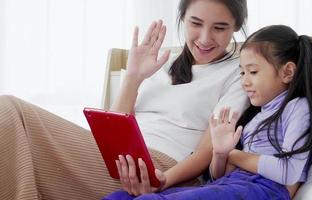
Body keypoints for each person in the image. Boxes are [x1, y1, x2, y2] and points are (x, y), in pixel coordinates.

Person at [0, 0, 248, 199]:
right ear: (182, 19)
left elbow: (209, 149)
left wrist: (162, 180)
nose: (205, 38)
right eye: (196, 23)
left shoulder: (239, 72)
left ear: (236, 26)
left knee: (10, 110)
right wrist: (133, 77)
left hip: (161, 167)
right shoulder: (161, 62)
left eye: (219, 28)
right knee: (15, 147)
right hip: (118, 158)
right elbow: (112, 129)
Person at [104, 25, 312, 200]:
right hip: (231, 183)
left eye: (253, 72)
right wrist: (219, 153)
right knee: (122, 196)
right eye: (242, 72)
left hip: (265, 190)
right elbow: (221, 175)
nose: (244, 81)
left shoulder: (297, 108)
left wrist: (233, 154)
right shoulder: (256, 118)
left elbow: (288, 172)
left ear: (288, 72)